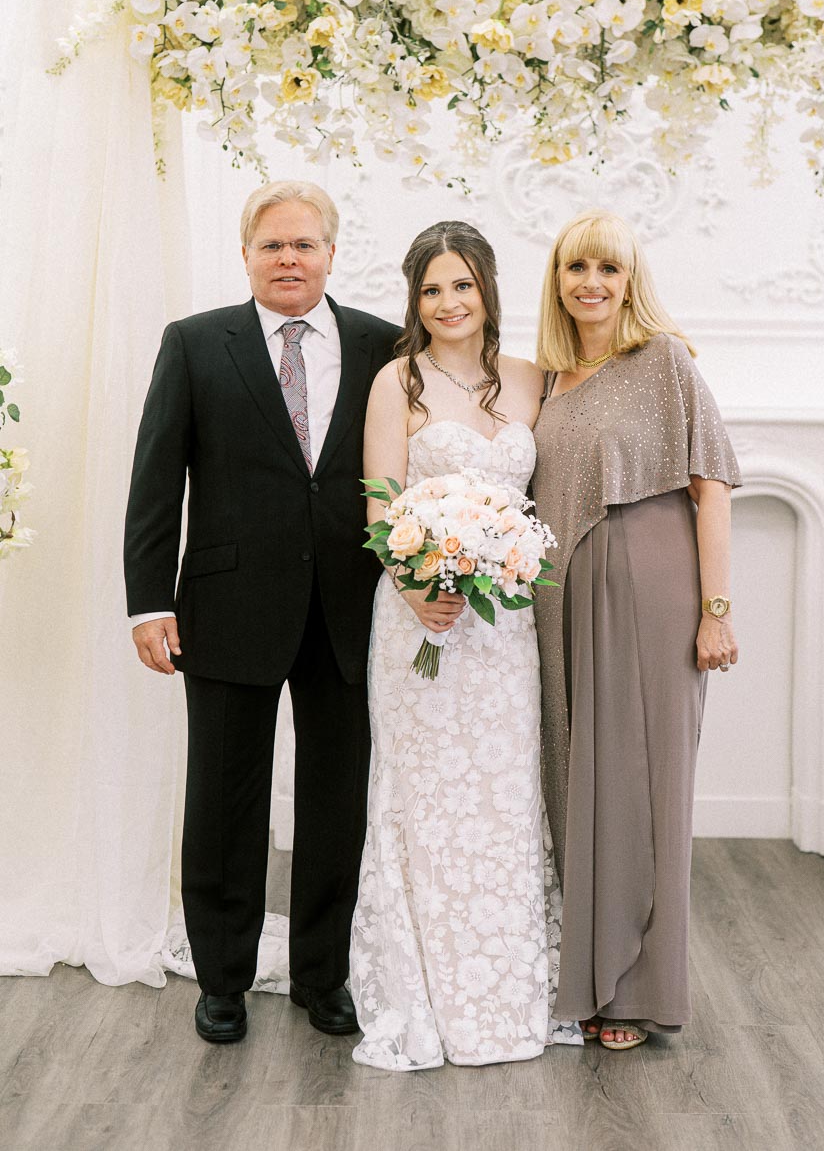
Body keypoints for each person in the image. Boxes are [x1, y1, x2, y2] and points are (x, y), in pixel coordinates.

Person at [124, 180, 399, 1044]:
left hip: (351, 608)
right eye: (272, 245)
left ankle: (325, 975)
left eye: (305, 244)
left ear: (330, 252)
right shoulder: (197, 343)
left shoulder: (382, 345)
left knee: (335, 798)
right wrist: (146, 604)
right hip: (227, 606)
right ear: (246, 253)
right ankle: (223, 980)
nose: (289, 259)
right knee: (223, 801)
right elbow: (156, 479)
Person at [349, 221, 581, 1070]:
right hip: (423, 622)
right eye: (431, 289)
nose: (448, 303)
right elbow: (378, 505)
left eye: (462, 286)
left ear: (487, 290)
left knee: (502, 796)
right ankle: (425, 988)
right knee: (427, 798)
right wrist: (417, 588)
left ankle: (510, 989)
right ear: (415, 301)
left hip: (505, 627)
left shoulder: (531, 379)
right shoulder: (394, 383)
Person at [532, 209, 741, 1050]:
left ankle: (636, 992)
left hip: (650, 583)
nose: (591, 284)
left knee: (643, 787)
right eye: (576, 269)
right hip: (562, 596)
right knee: (578, 777)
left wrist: (715, 612)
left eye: (607, 270)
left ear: (630, 281)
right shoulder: (547, 379)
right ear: (557, 281)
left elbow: (713, 487)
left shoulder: (665, 362)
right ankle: (586, 974)